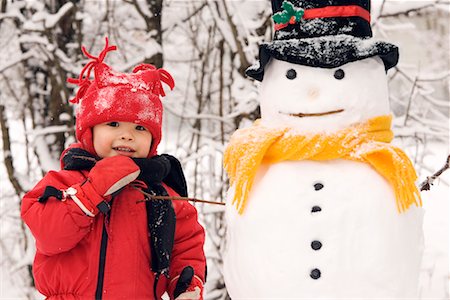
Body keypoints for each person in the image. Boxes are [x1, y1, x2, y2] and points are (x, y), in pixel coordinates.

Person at [21, 38, 206, 300]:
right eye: (114, 125)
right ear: (89, 132)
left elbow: (186, 245)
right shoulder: (65, 182)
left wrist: (185, 283)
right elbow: (50, 235)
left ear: (153, 141)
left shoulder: (162, 194)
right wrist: (91, 191)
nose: (127, 136)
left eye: (140, 128)